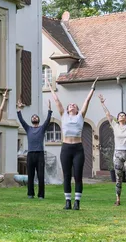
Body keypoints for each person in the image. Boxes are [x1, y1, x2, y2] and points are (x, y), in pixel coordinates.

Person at [46, 77, 96, 210]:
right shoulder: (64, 115)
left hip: (78, 149)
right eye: (70, 105)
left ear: (77, 109)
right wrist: (50, 87)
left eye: (74, 105)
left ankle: (77, 202)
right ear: (67, 109)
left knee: (78, 175)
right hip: (66, 148)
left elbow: (87, 101)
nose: (72, 105)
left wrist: (92, 89)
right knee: (67, 175)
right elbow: (57, 101)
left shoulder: (80, 116)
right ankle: (67, 201)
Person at [17, 99, 53, 199]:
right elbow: (21, 120)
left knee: (41, 175)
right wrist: (19, 109)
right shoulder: (28, 128)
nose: (34, 117)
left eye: (36, 117)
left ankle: (41, 195)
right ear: (31, 120)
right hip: (30, 154)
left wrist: (49, 109)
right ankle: (30, 194)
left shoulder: (42, 128)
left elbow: (48, 120)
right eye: (33, 117)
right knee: (31, 175)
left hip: (40, 154)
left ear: (38, 120)